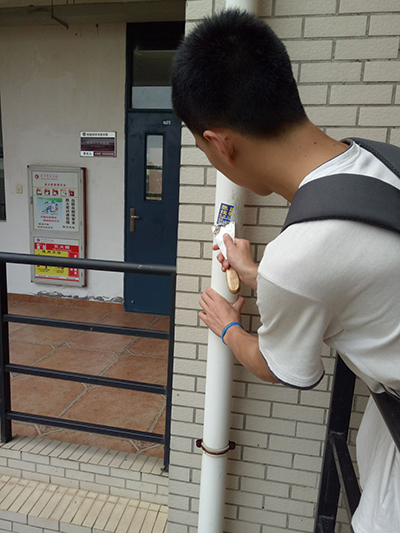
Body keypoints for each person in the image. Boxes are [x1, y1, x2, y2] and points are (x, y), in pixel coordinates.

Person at [171, 9, 400, 533]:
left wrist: (228, 327)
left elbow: (278, 367)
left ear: (220, 142)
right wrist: (259, 275)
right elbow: (356, 275)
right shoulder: (378, 161)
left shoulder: (298, 258)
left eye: (204, 149)